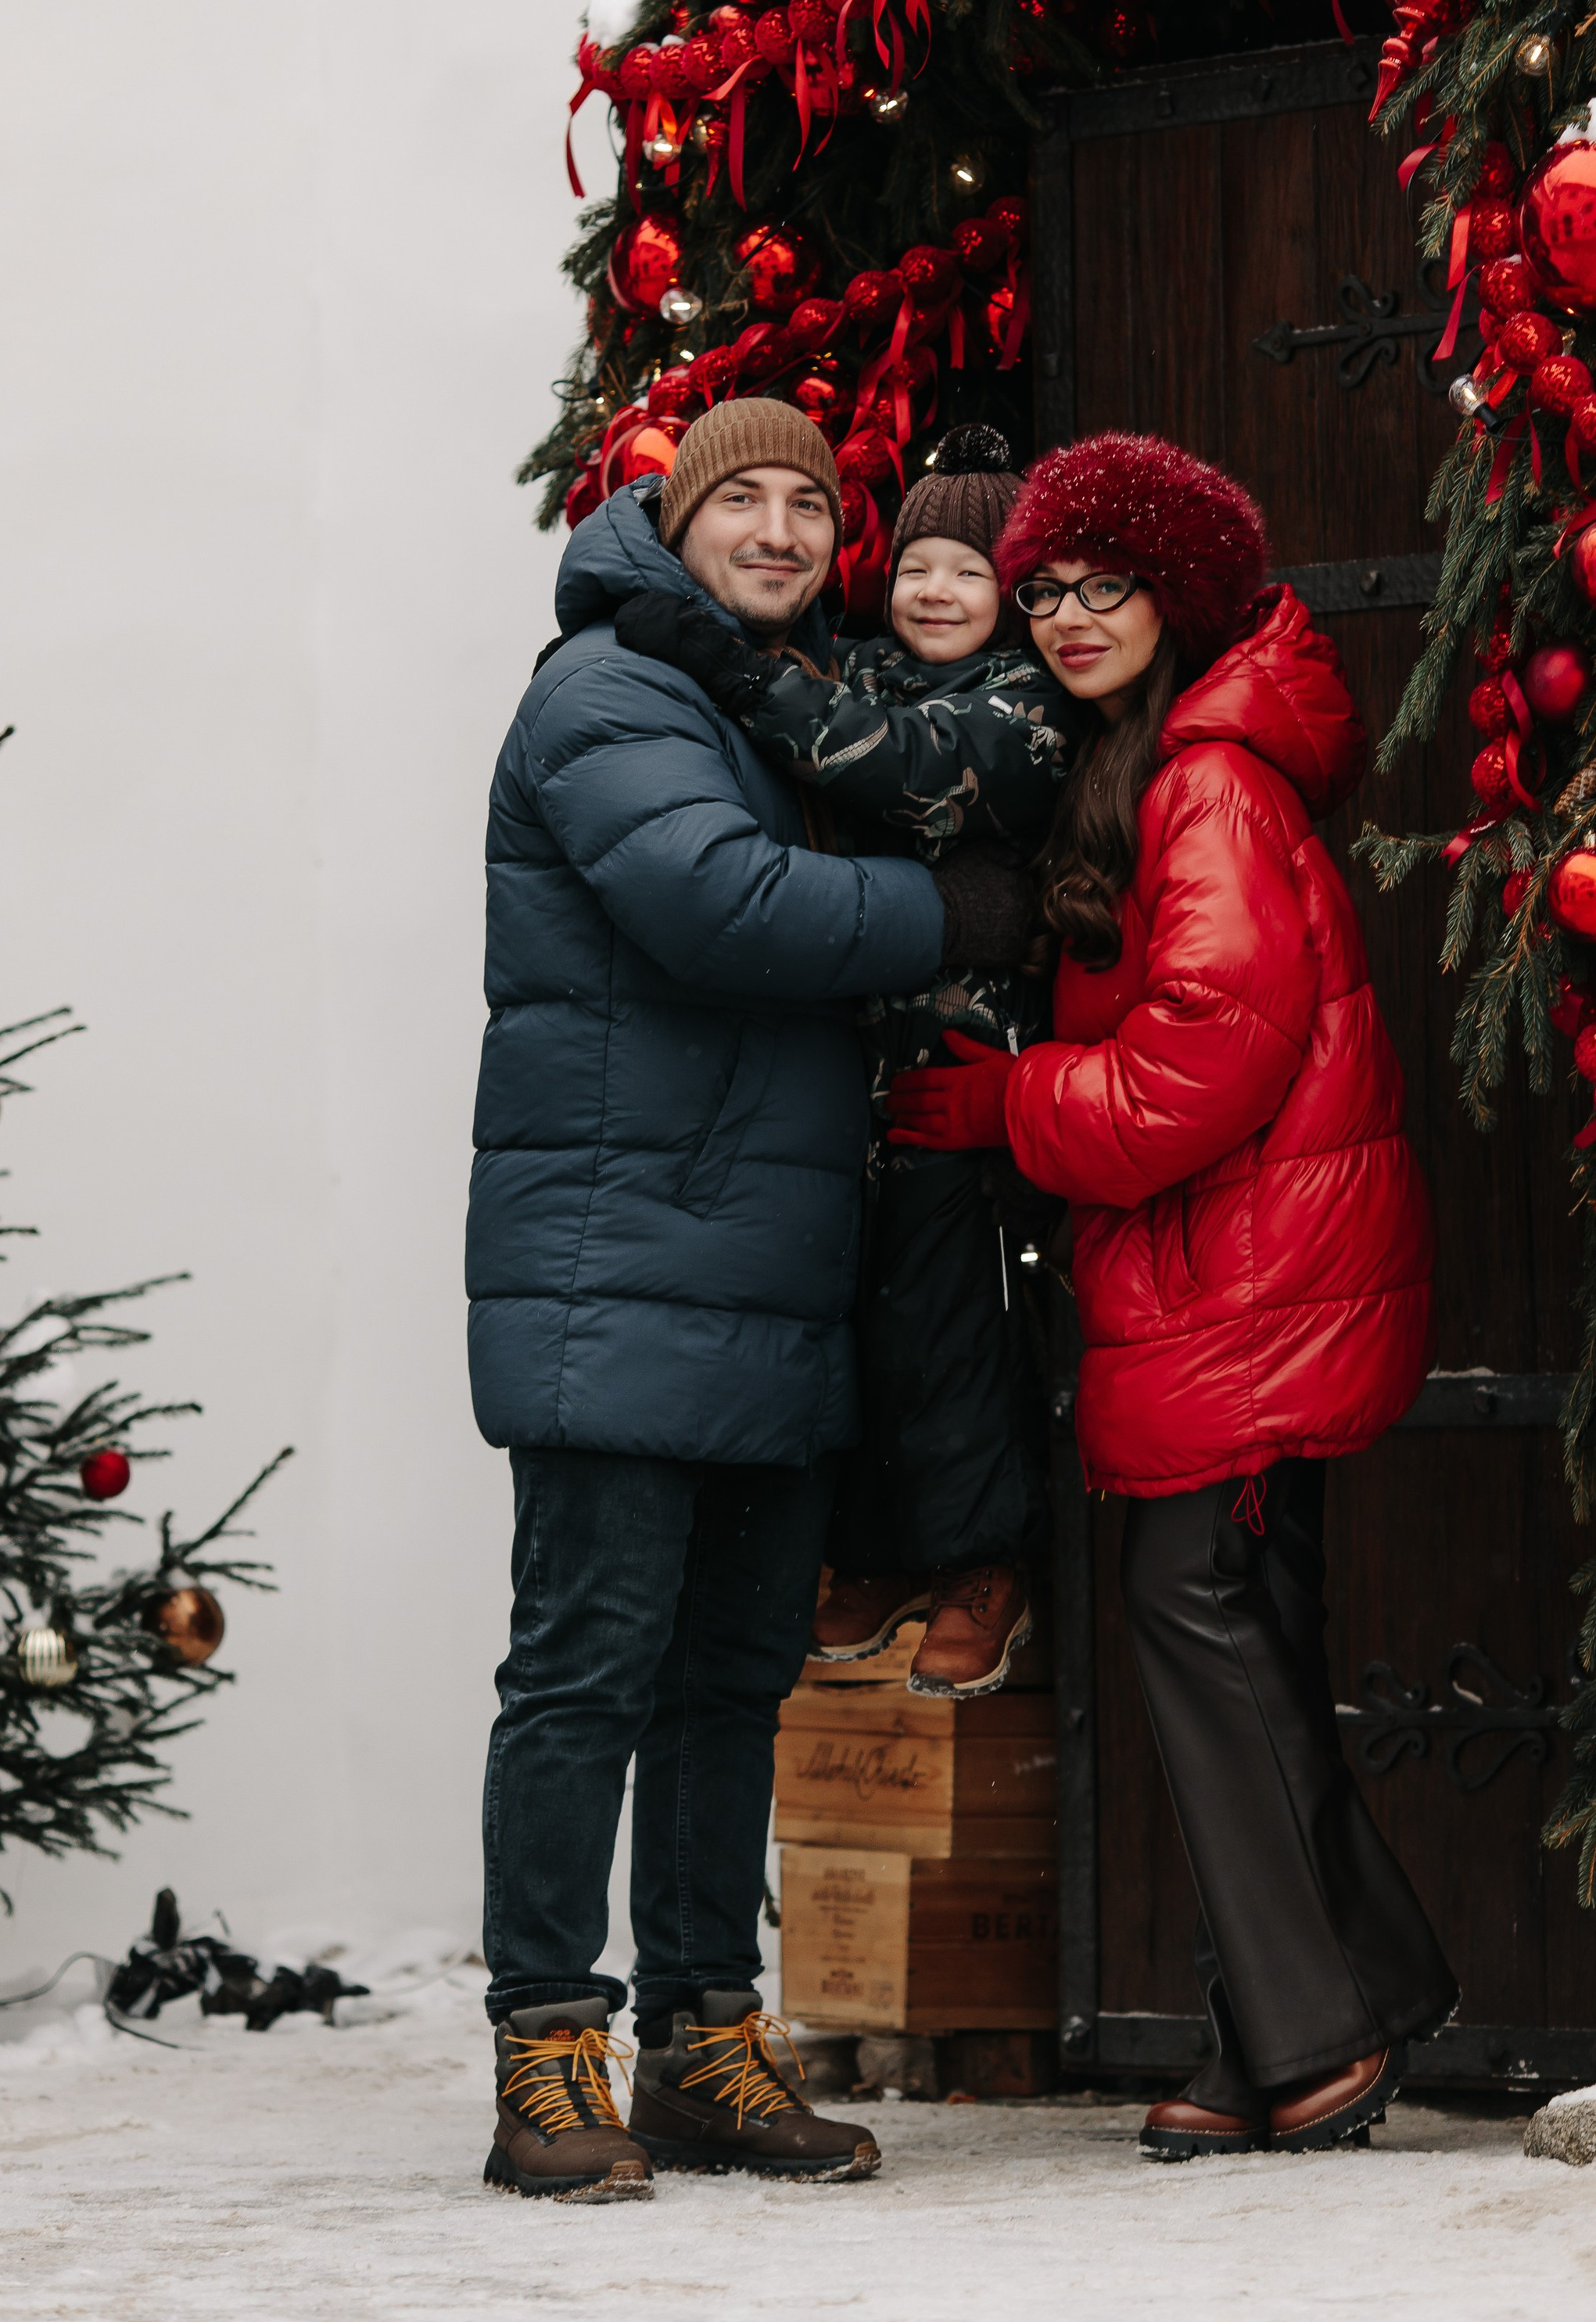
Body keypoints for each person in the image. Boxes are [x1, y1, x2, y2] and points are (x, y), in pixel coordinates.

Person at [468, 397, 1030, 2197]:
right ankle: (544, 2053)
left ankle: (705, 2041)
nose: (781, 531)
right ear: (675, 517)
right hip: (620, 1268)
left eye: (810, 503)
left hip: (775, 1274)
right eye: (746, 502)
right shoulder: (611, 693)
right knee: (584, 1677)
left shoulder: (781, 700)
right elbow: (719, 908)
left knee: (726, 1684)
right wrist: (965, 913)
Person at [889, 427, 1457, 2159]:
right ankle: (1297, 2006)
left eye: (1103, 585)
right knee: (1240, 1634)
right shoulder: (1147, 760)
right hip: (1227, 1283)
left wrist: (1007, 1104)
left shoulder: (1201, 781)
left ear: (1179, 594)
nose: (1063, 615)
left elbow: (1200, 1064)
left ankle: (1318, 2021)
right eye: (1044, 588)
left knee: (1192, 1609)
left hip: (1249, 1281)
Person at [614, 425, 1089, 1699]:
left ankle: (986, 1557)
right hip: (841, 1078)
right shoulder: (858, 661)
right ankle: (879, 1553)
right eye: (920, 564)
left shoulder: (1022, 705)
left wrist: (726, 664)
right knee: (859, 1323)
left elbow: (899, 774)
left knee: (950, 1319)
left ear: (1012, 600)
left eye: (971, 575)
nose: (936, 592)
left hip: (955, 1069)